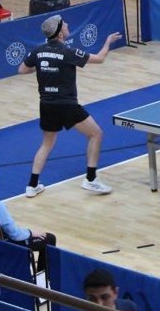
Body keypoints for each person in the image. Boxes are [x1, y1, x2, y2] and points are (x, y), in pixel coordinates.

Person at [18, 15, 123, 197]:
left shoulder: (38, 51)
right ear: (60, 34)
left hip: (46, 104)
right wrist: (108, 42)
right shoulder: (68, 52)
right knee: (96, 134)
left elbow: (22, 69)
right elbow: (99, 59)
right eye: (65, 25)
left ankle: (32, 185)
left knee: (47, 143)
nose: (67, 25)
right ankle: (91, 180)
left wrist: (42, 67)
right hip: (66, 104)